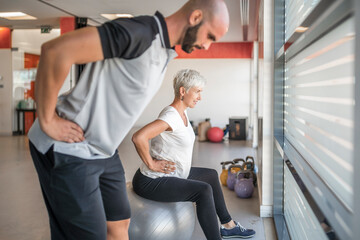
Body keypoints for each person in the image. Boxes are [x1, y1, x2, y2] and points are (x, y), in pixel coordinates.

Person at [28, 0, 230, 239]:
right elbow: (56, 51)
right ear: (195, 17)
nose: (207, 46)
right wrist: (47, 118)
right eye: (209, 36)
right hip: (71, 148)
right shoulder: (140, 32)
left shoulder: (164, 52)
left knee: (119, 224)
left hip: (104, 149)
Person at [132, 69, 256, 240]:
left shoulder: (183, 112)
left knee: (210, 175)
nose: (200, 97)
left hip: (175, 173)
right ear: (183, 91)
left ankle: (228, 226)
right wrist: (152, 164)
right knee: (203, 191)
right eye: (197, 91)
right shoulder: (171, 116)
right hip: (152, 181)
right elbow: (139, 137)